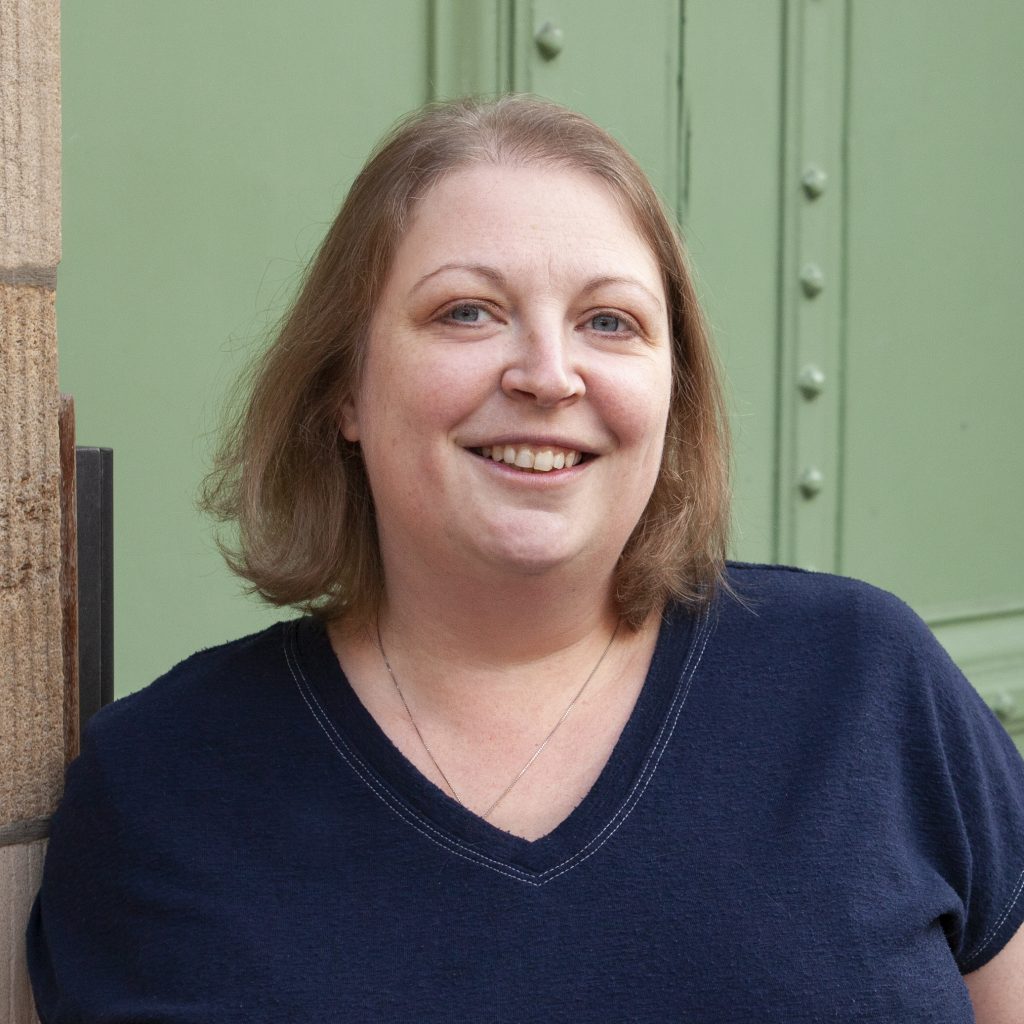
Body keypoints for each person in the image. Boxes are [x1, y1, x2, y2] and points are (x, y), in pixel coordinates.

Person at [27, 96, 1024, 1022]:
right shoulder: (163, 787)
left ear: (671, 392)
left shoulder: (862, 684)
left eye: (609, 322)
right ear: (344, 392)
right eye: (466, 310)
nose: (548, 375)